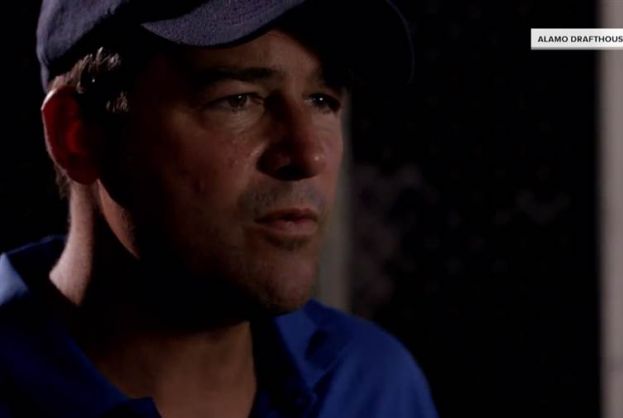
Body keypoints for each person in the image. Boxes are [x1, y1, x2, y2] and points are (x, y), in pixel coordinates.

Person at [0, 0, 438, 417]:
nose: (309, 156)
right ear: (76, 135)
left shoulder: (372, 387)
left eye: (323, 100)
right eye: (238, 99)